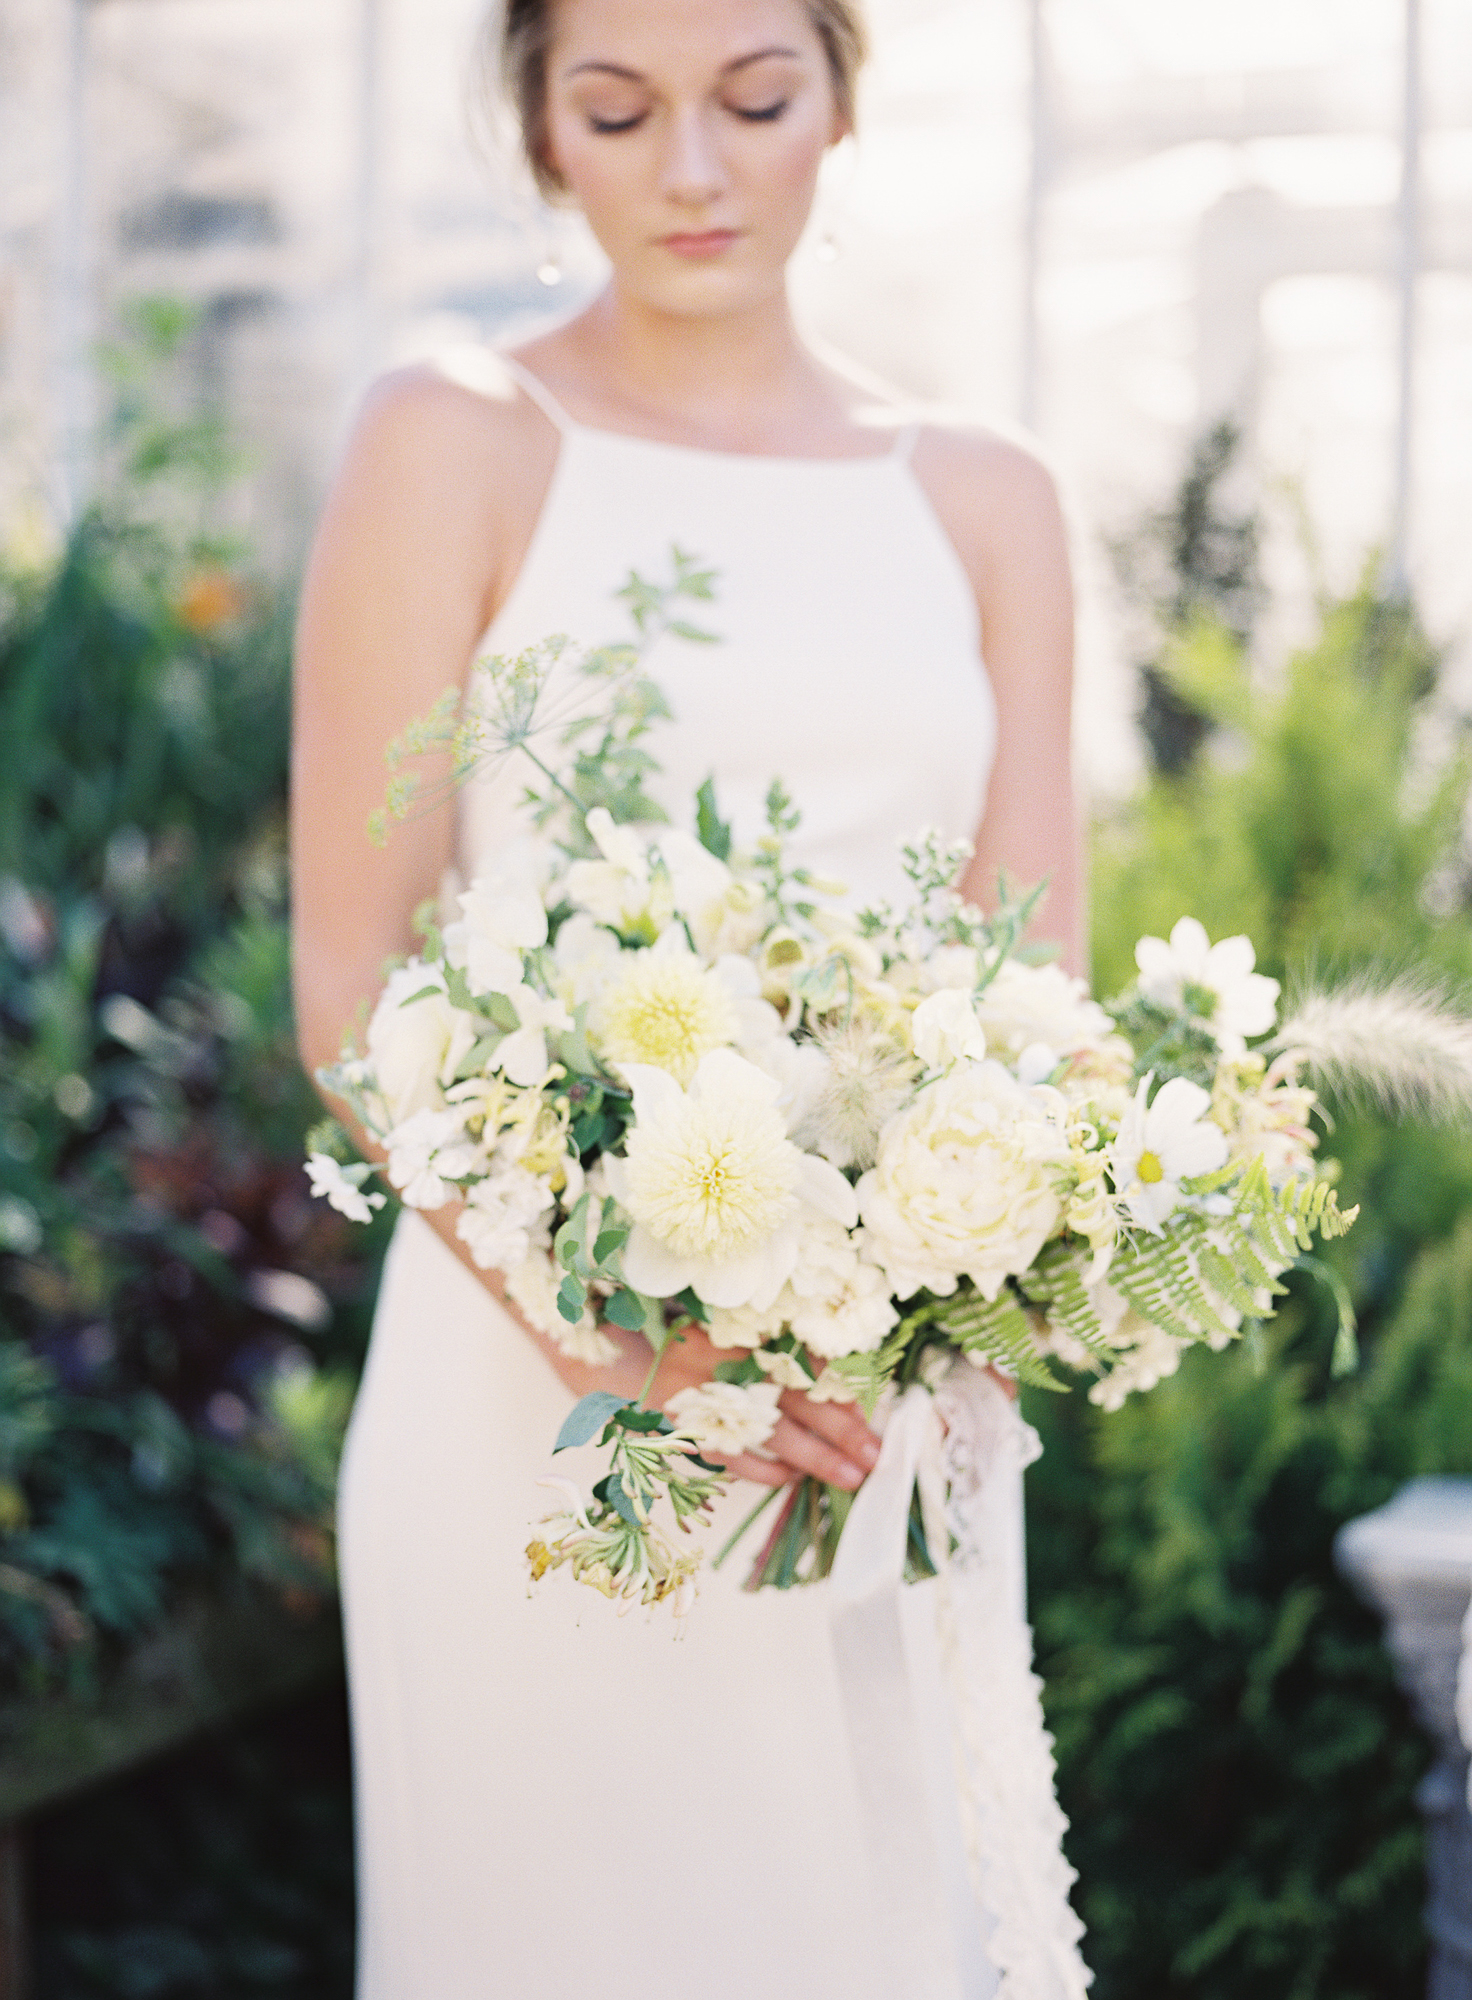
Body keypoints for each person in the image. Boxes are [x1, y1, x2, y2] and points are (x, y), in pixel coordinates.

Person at [292, 1, 1084, 1993]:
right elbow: (350, 972)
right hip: (533, 1416)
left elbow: (1033, 989)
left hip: (873, 1405)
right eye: (619, 110)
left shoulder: (985, 497)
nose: (697, 172)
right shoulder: (453, 433)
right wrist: (618, 1348)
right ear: (542, 133)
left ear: (840, 91)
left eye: (753, 98)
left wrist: (907, 1305)